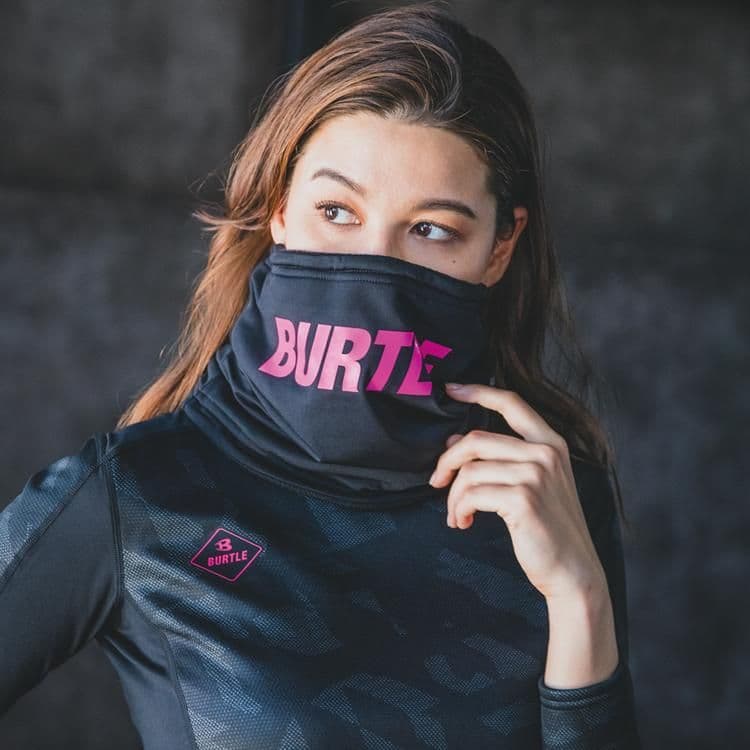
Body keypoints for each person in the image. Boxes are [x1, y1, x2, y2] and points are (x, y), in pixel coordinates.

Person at [0, 2, 642, 748]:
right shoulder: (138, 493)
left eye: (431, 229)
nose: (373, 266)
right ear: (280, 210)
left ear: (499, 248)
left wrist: (581, 597)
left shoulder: (552, 493)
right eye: (336, 211)